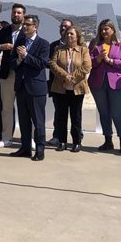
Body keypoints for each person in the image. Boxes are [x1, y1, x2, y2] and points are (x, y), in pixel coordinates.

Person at [10, 15, 50, 161]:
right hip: (21, 87)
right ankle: (25, 148)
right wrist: (19, 59)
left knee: (38, 121)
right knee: (24, 120)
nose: (25, 27)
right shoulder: (19, 42)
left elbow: (41, 64)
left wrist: (26, 56)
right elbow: (12, 64)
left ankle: (40, 150)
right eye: (24, 24)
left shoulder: (43, 44)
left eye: (28, 24)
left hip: (36, 88)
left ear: (35, 27)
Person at [88, 19, 121, 154]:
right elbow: (88, 63)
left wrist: (110, 61)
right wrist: (98, 59)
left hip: (117, 84)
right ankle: (108, 141)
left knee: (117, 113)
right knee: (104, 113)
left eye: (106, 29)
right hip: (97, 83)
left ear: (113, 30)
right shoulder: (94, 44)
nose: (104, 31)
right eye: (101, 29)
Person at [49, 25, 90, 153]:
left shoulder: (83, 50)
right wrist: (64, 76)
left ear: (77, 36)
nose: (69, 36)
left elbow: (86, 66)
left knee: (76, 116)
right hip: (60, 88)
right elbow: (52, 64)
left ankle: (76, 142)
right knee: (61, 116)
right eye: (67, 34)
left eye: (71, 34)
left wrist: (72, 77)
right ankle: (62, 141)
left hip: (77, 88)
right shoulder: (59, 49)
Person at [0, 3, 27, 148]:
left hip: (23, 73)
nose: (16, 15)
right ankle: (6, 138)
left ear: (23, 15)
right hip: (7, 73)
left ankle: (28, 138)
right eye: (14, 12)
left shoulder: (28, 30)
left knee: (26, 108)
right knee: (6, 107)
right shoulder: (5, 30)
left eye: (19, 13)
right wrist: (1, 47)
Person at [47, 18, 73, 147]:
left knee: (75, 113)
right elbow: (48, 62)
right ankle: (57, 136)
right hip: (56, 84)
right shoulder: (53, 45)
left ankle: (76, 137)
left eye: (66, 27)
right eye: (62, 26)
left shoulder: (79, 46)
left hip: (73, 84)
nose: (63, 29)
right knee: (59, 113)